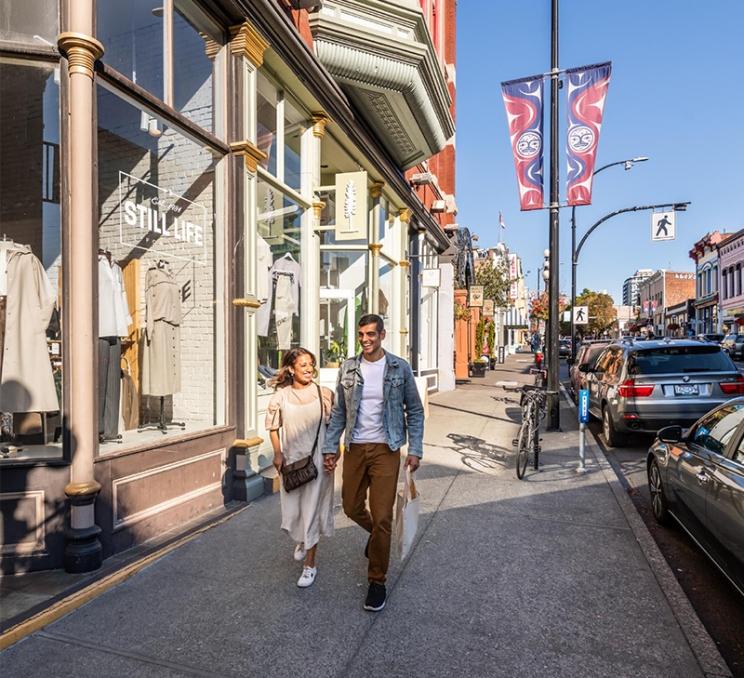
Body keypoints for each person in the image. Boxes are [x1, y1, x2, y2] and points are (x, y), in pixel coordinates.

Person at [322, 314, 424, 612]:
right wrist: (332, 447)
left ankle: (377, 581)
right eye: (361, 335)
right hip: (354, 446)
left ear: (382, 335)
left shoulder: (398, 367)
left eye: (371, 334)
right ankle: (377, 539)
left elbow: (415, 412)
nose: (365, 339)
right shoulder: (349, 367)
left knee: (382, 516)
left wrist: (415, 449)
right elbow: (340, 411)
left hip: (386, 448)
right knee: (351, 506)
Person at [267, 348, 335, 588]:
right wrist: (277, 454)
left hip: (317, 460)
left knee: (313, 509)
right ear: (291, 369)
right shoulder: (281, 397)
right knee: (294, 511)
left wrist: (333, 453)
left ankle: (310, 565)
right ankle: (302, 539)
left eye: (311, 364)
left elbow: (335, 426)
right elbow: (273, 428)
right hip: (291, 460)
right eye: (303, 365)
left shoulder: (324, 394)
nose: (308, 369)